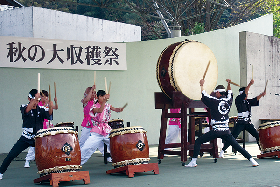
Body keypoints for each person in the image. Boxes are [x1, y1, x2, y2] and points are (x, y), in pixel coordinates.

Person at [185, 79, 259, 167]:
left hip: (216, 130)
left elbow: (204, 95)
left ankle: (193, 162)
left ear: (218, 93)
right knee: (238, 147)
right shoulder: (229, 100)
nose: (216, 94)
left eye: (216, 93)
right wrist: (228, 84)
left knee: (198, 141)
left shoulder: (214, 101)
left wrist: (201, 85)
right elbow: (230, 92)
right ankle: (252, 160)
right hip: (226, 131)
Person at [0, 89, 52, 180]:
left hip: (38, 138)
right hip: (26, 137)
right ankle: (0, 172)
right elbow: (27, 110)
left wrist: (51, 106)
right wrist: (34, 100)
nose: (36, 102)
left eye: (38, 100)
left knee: (44, 157)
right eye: (35, 100)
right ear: (29, 99)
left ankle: (45, 175)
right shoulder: (24, 106)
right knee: (12, 154)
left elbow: (49, 115)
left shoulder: (41, 109)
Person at [219, 79, 266, 158]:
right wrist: (250, 84)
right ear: (242, 94)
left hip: (248, 123)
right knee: (232, 137)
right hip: (240, 123)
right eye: (246, 94)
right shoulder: (238, 100)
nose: (247, 95)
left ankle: (262, 150)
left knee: (257, 136)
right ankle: (222, 151)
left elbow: (255, 99)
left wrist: (262, 94)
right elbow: (245, 92)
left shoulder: (247, 101)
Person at [80, 90, 124, 165]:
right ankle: (77, 163)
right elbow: (100, 110)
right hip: (97, 130)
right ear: (98, 97)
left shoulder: (108, 105)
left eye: (104, 96)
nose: (103, 98)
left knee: (116, 144)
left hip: (107, 130)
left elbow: (114, 109)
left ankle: (121, 161)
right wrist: (105, 100)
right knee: (87, 148)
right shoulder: (93, 106)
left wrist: (118, 109)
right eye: (102, 96)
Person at [24, 90, 58, 168]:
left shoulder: (48, 104)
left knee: (48, 144)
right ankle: (28, 160)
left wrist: (55, 102)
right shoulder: (38, 105)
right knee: (34, 144)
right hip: (40, 126)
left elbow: (55, 108)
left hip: (48, 125)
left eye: (46, 96)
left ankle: (46, 160)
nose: (45, 97)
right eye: (43, 96)